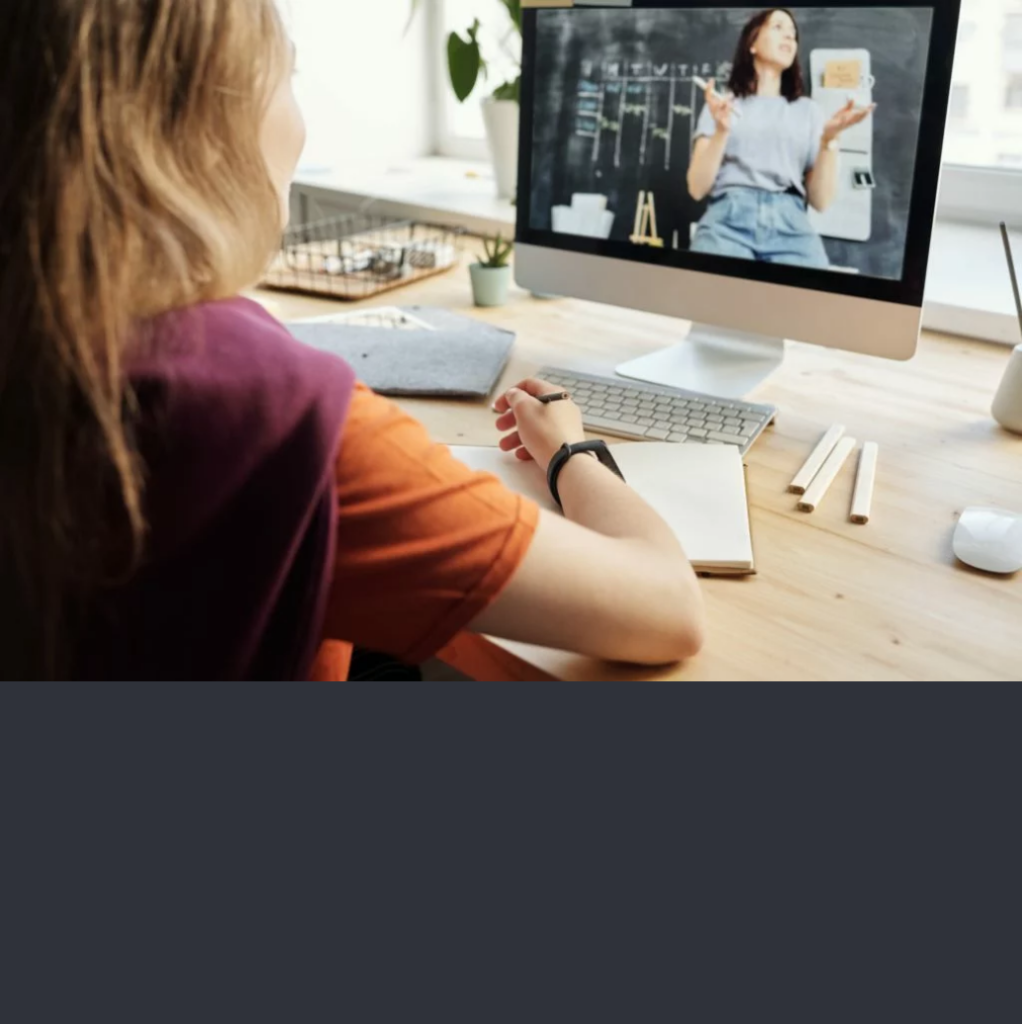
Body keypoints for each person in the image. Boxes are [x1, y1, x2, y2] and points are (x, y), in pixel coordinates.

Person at [0, 0, 705, 681]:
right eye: (288, 79)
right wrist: (569, 449)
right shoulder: (273, 415)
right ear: (205, 121)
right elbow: (665, 608)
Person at [686, 8, 875, 268]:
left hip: (791, 224)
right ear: (752, 42)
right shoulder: (722, 105)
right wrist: (722, 130)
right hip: (727, 219)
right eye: (778, 27)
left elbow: (820, 201)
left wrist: (829, 140)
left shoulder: (808, 111)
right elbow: (697, 188)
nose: (788, 36)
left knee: (813, 302)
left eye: (793, 33)